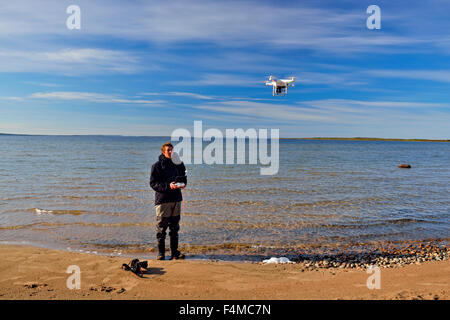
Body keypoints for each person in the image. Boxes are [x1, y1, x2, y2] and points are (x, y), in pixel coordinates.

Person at [149, 142, 187, 260]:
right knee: (161, 228)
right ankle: (161, 253)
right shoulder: (157, 166)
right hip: (163, 200)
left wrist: (183, 185)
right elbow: (153, 183)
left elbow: (184, 179)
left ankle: (174, 252)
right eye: (168, 150)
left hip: (176, 199)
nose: (170, 152)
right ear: (163, 152)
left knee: (175, 228)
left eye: (172, 150)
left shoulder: (179, 165)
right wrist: (168, 186)